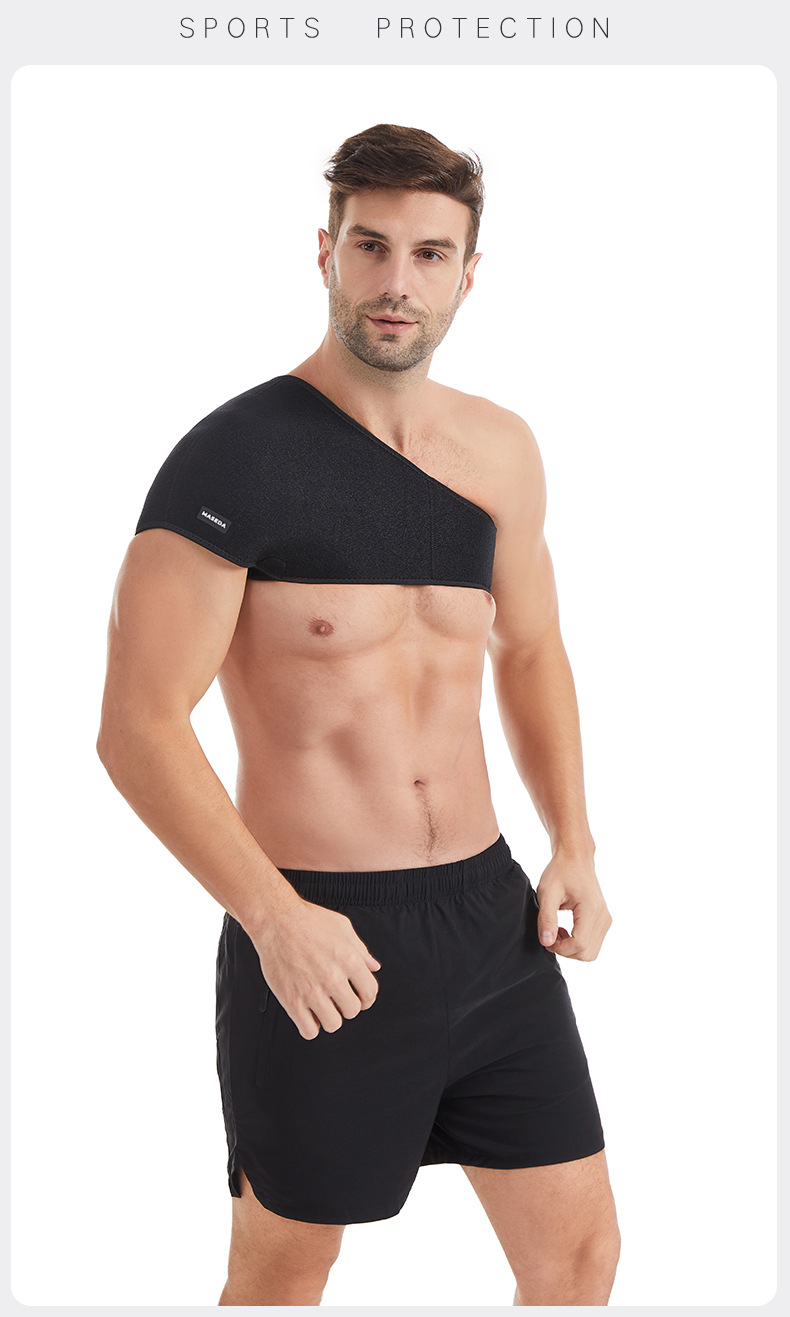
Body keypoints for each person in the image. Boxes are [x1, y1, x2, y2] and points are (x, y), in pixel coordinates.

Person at [97, 122, 620, 1306]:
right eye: (370, 246)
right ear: (324, 252)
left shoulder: (499, 450)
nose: (396, 282)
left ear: (468, 274)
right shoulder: (233, 462)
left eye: (429, 255)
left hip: (490, 922)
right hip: (320, 928)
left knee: (578, 1258)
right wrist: (273, 918)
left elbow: (530, 646)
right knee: (287, 1272)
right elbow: (136, 725)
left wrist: (573, 842)